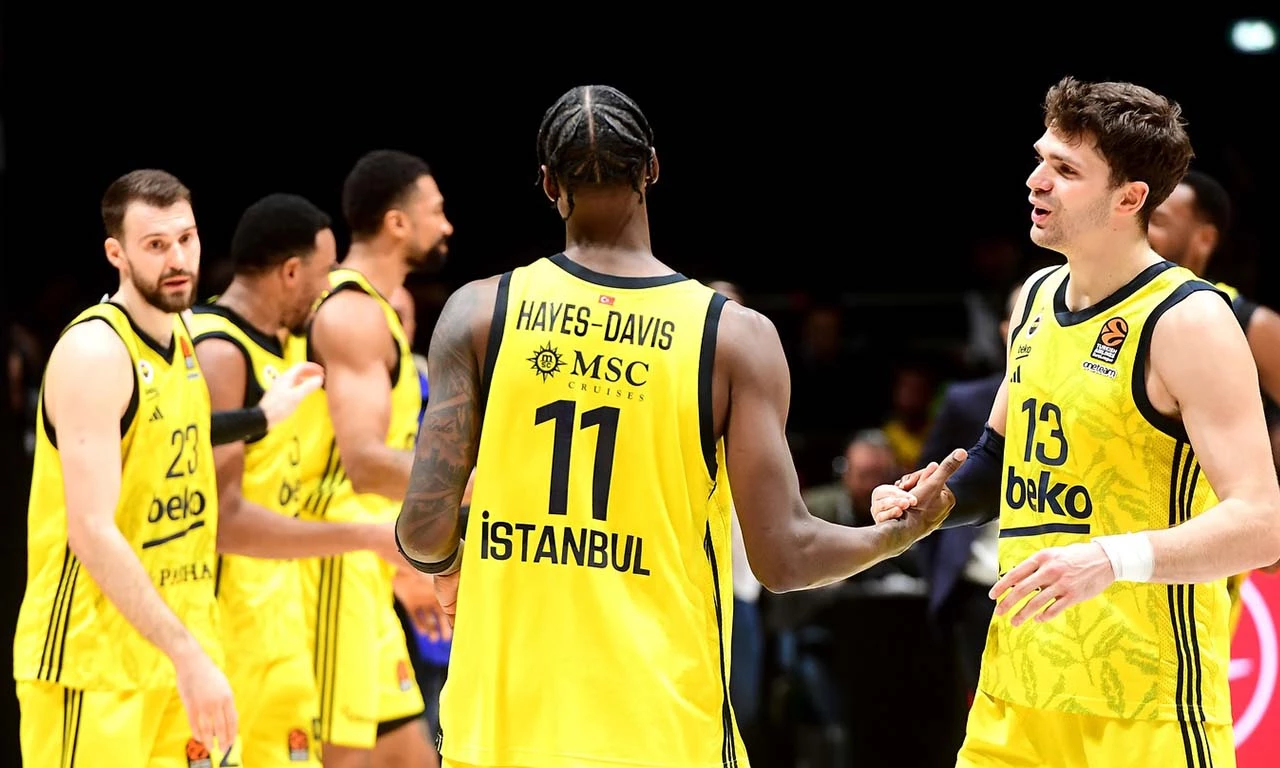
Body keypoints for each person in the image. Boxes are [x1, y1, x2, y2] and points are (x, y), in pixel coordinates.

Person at [394, 83, 963, 768]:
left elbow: (422, 530)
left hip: (500, 724)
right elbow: (785, 559)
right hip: (660, 730)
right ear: (653, 169)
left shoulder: (478, 312)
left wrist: (449, 566)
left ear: (547, 184)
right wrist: (899, 533)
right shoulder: (732, 337)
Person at [873, 76, 1280, 767]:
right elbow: (999, 460)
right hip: (1016, 690)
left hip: (1144, 702)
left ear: (1129, 198)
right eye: (1041, 159)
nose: (1036, 181)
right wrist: (935, 503)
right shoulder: (1033, 297)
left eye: (1065, 170)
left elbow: (1261, 524)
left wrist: (1112, 558)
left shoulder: (1189, 320)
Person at [12, 169, 322, 767]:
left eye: (186, 238)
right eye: (156, 245)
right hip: (94, 667)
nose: (177, 259)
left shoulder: (182, 333)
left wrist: (261, 416)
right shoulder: (96, 352)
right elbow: (91, 531)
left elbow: (169, 434)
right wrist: (188, 655)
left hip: (176, 651)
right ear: (117, 254)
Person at [188, 192, 416, 767]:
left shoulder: (286, 343)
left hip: (282, 610)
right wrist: (364, 538)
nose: (329, 286)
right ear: (291, 272)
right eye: (324, 271)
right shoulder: (220, 351)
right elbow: (225, 522)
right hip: (226, 623)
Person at [292, 149, 453, 767]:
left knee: (414, 756)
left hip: (369, 566)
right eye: (436, 211)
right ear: (397, 223)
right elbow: (363, 464)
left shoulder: (376, 310)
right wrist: (489, 482)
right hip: (332, 572)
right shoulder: (352, 312)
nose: (447, 225)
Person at [1148, 169, 1280, 633]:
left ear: (1204, 239)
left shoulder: (1250, 323)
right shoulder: (1107, 309)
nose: (1142, 228)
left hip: (1204, 553)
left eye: (1158, 220)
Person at [915, 285, 1020, 705]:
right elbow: (937, 480)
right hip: (979, 583)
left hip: (1059, 578)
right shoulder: (965, 401)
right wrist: (940, 575)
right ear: (1005, 329)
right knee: (982, 709)